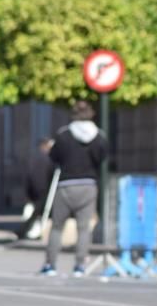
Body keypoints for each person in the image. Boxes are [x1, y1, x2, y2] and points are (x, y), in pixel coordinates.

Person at [40, 101, 107, 277]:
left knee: (57, 227)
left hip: (66, 184)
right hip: (88, 185)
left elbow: (54, 157)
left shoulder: (63, 135)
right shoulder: (99, 136)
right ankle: (79, 265)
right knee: (83, 228)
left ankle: (50, 265)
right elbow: (102, 158)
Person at [18, 138, 54, 240]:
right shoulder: (48, 159)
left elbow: (27, 175)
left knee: (36, 212)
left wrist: (27, 191)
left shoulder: (33, 158)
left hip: (34, 189)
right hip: (43, 189)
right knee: (39, 212)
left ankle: (26, 230)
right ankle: (28, 231)